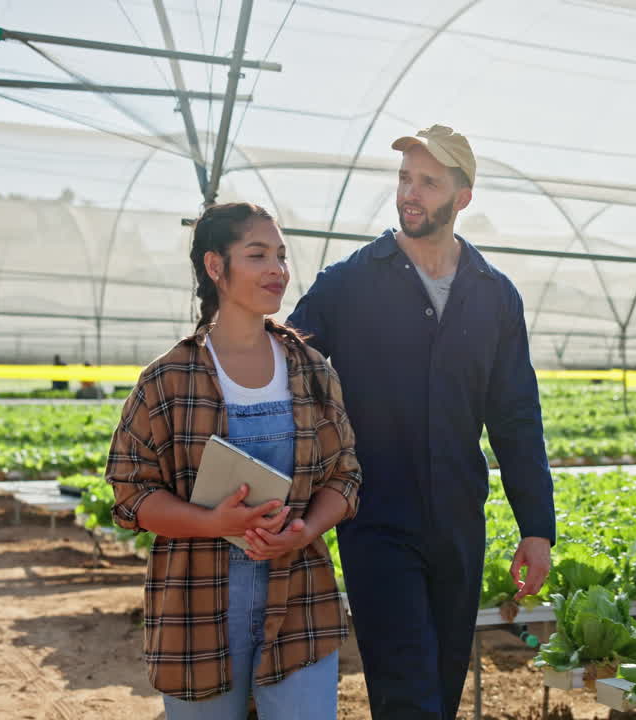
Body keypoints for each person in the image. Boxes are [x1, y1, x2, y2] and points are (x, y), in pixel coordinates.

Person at [288, 125, 556, 720]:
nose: (411, 192)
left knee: (442, 680)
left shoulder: (494, 296)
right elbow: (286, 369)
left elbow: (515, 416)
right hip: (376, 517)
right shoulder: (350, 283)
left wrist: (536, 525)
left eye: (428, 182)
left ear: (462, 196)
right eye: (405, 178)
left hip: (458, 520)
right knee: (407, 688)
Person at [106, 202, 361, 719]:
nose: (278, 270)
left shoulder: (312, 372)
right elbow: (131, 492)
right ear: (215, 267)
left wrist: (305, 528)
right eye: (258, 255)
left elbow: (345, 476)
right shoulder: (169, 378)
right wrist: (211, 522)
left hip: (299, 602)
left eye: (282, 256)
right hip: (197, 607)